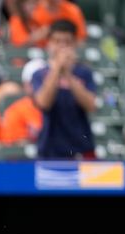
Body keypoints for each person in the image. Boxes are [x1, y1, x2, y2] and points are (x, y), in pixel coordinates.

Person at [31, 19, 95, 159]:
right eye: (57, 41)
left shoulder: (84, 73)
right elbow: (43, 103)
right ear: (49, 43)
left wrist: (68, 75)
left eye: (67, 42)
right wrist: (57, 69)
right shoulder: (39, 74)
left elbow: (91, 105)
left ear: (74, 44)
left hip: (81, 148)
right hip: (49, 148)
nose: (62, 46)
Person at [0, 59, 45, 145]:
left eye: (43, 81)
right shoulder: (16, 111)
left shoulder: (61, 108)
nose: (40, 86)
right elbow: (14, 147)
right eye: (35, 82)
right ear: (26, 85)